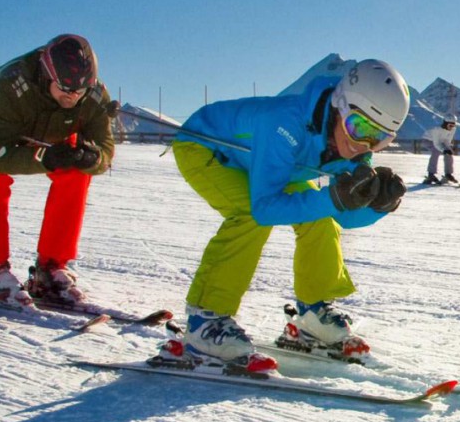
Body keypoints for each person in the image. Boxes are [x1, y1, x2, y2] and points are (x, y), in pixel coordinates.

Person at [156, 57, 410, 377]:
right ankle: (206, 321)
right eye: (358, 128)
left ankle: (312, 315)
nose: (363, 145)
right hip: (206, 148)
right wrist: (333, 197)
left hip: (277, 164)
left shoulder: (354, 148)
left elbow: (343, 216)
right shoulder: (285, 123)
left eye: (380, 138)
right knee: (248, 215)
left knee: (320, 217)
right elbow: (266, 208)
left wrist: (376, 206)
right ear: (339, 106)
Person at [0, 34, 115, 309]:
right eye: (65, 88)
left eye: (79, 92)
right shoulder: (12, 83)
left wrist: (91, 157)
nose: (72, 96)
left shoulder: (93, 96)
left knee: (77, 172)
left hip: (52, 122)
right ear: (46, 75)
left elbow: (105, 150)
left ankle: (51, 269)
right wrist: (46, 157)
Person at [422, 119, 458, 185]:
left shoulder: (453, 129)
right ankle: (431, 174)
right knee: (436, 151)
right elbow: (436, 144)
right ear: (445, 124)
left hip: (440, 141)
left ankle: (448, 174)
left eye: (453, 126)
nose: (451, 127)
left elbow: (447, 141)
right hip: (428, 140)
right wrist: (444, 150)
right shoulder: (437, 130)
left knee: (449, 153)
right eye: (450, 125)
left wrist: (449, 149)